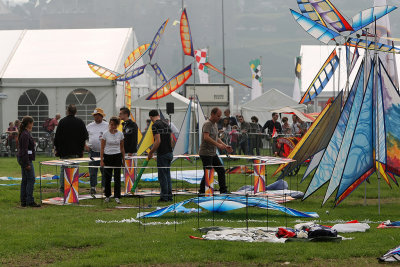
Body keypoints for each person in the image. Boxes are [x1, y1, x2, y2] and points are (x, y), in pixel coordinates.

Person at [54, 104, 88, 193]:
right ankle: (73, 187)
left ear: (67, 111)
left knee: (63, 169)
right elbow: (84, 137)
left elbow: (57, 137)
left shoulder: (62, 122)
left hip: (64, 150)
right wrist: (82, 150)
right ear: (75, 112)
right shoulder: (80, 122)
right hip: (76, 150)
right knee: (74, 168)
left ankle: (62, 189)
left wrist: (57, 149)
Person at [199, 107, 233, 194]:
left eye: (220, 116)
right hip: (206, 153)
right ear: (212, 114)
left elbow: (216, 137)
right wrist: (218, 145)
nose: (219, 118)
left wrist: (225, 146)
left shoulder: (215, 124)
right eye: (218, 116)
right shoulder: (207, 124)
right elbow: (206, 137)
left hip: (212, 153)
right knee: (208, 172)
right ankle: (202, 191)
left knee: (221, 170)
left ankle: (223, 190)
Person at [147, 110, 174, 202]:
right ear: (158, 115)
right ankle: (169, 196)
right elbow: (171, 139)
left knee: (162, 176)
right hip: (169, 152)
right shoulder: (166, 123)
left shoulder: (155, 125)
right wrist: (170, 150)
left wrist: (151, 152)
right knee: (167, 175)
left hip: (162, 153)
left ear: (151, 117)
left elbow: (158, 141)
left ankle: (164, 197)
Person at [17, 116, 40, 207]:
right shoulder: (26, 134)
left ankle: (24, 201)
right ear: (29, 123)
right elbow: (24, 150)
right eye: (32, 123)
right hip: (26, 159)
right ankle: (30, 201)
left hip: (23, 158)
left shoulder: (24, 133)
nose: (33, 125)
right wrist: (26, 163)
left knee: (25, 180)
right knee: (31, 179)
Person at [100, 116, 125, 204]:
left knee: (117, 177)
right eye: (111, 124)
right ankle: (107, 195)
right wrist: (102, 160)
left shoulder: (120, 134)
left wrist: (123, 160)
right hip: (107, 156)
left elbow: (122, 148)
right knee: (107, 177)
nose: (112, 126)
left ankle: (117, 196)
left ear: (117, 125)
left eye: (114, 125)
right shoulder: (105, 134)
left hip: (117, 156)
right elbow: (102, 148)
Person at [86, 108, 109, 197]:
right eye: (95, 115)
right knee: (92, 170)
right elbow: (84, 136)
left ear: (102, 116)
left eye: (98, 115)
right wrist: (86, 145)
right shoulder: (89, 126)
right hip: (93, 152)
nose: (96, 117)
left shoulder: (107, 125)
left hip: (105, 152)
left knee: (104, 170)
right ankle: (93, 187)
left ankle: (104, 187)